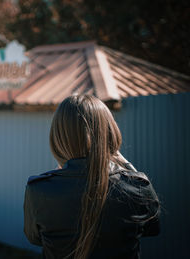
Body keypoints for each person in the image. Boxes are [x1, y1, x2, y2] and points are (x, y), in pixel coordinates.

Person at [24, 95, 160, 259]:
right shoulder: (137, 186)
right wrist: (127, 166)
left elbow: (35, 238)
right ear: (110, 133)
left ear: (58, 138)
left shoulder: (39, 190)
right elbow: (152, 228)